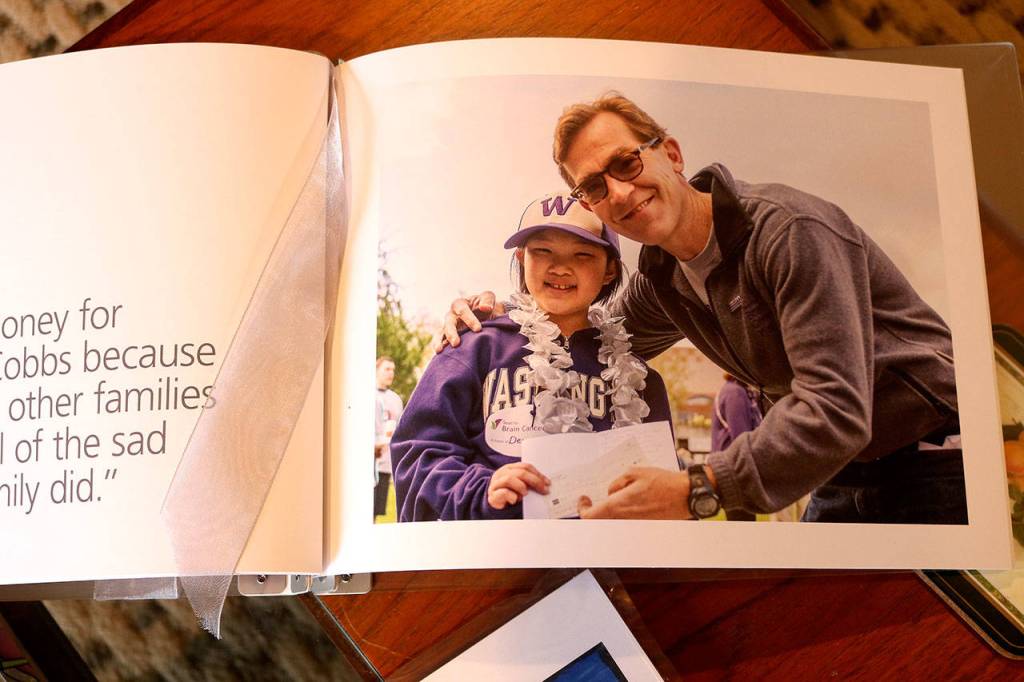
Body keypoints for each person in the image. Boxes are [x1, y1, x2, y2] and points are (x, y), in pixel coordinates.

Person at [443, 93, 964, 524]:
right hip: (840, 474)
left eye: (626, 162)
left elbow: (835, 409)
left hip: (939, 465)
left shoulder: (788, 233)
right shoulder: (660, 280)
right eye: (595, 187)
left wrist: (697, 486)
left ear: (671, 154)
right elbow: (583, 336)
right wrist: (487, 320)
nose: (620, 192)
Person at [390, 192, 672, 521]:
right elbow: (417, 452)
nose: (561, 268)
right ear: (522, 257)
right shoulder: (476, 345)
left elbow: (664, 486)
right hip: (498, 557)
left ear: (609, 270)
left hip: (606, 562)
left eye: (582, 255)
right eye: (543, 251)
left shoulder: (639, 379)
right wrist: (481, 489)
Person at [712, 374, 762, 522]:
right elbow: (741, 437)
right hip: (736, 475)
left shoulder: (731, 390)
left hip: (730, 473)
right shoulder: (735, 393)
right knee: (743, 528)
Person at [374, 356, 404, 519]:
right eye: (387, 369)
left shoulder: (396, 399)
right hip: (367, 465)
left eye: (393, 370)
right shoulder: (366, 395)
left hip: (385, 464)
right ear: (376, 370)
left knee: (376, 512)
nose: (391, 373)